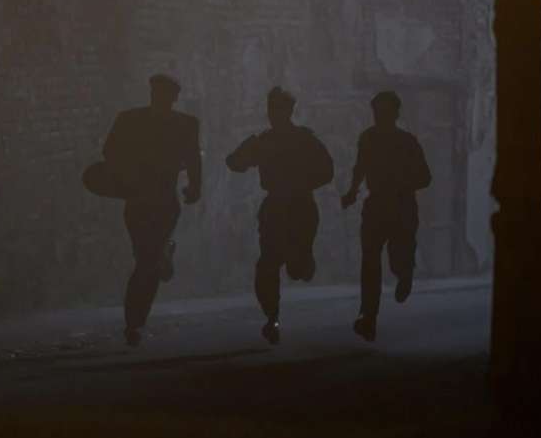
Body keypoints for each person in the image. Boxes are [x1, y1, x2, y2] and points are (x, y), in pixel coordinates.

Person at [226, 87, 334, 345]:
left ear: (288, 111)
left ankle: (304, 262)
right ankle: (272, 316)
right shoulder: (264, 141)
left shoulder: (305, 139)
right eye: (271, 108)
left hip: (300, 207)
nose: (273, 113)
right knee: (268, 263)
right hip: (275, 207)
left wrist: (301, 184)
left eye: (278, 108)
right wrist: (247, 148)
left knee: (296, 267)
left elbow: (327, 171)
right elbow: (234, 163)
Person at [102, 74, 202, 347]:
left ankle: (134, 322)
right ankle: (162, 257)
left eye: (165, 94)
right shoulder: (129, 120)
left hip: (164, 203)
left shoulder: (184, 124)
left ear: (173, 97)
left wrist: (195, 186)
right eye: (158, 93)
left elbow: (193, 158)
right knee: (146, 259)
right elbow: (109, 153)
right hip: (137, 201)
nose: (161, 98)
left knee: (145, 262)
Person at [341, 90, 432, 342]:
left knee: (397, 257)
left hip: (402, 206)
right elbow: (360, 167)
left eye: (384, 112)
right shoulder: (367, 138)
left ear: (394, 114)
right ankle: (368, 317)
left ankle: (404, 273)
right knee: (370, 261)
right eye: (377, 111)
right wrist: (351, 192)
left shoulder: (408, 142)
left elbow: (425, 177)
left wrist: (402, 182)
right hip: (377, 205)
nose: (380, 116)